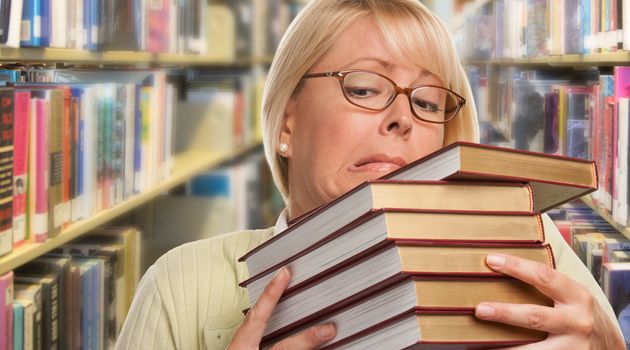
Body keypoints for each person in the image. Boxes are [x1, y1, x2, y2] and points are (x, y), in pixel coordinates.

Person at [116, 0, 625, 349]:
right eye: (362, 89)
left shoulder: (531, 255)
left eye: (427, 101)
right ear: (286, 121)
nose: (403, 117)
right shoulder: (180, 285)